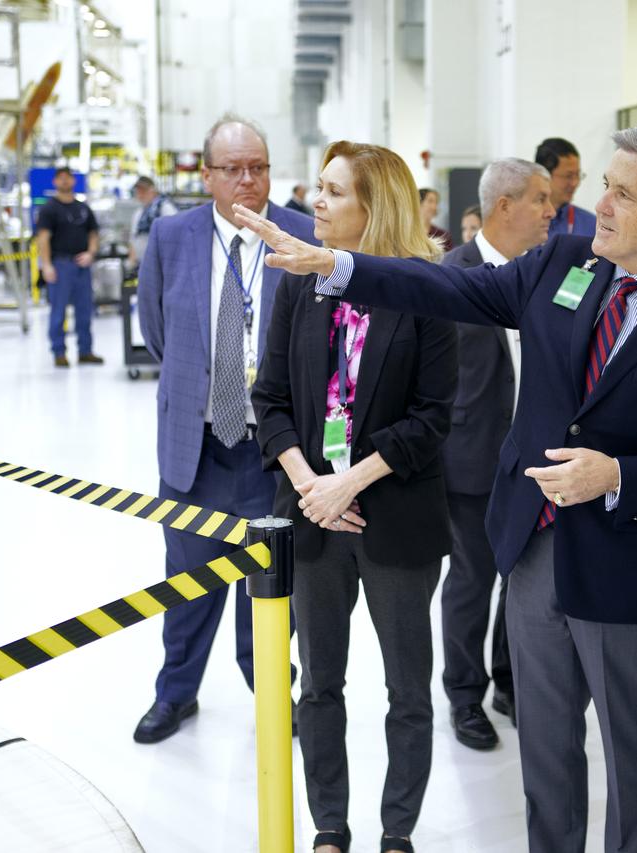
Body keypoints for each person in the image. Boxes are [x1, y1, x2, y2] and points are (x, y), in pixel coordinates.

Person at [235, 125, 637, 853]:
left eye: (624, 193)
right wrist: (340, 265)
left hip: (626, 565)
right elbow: (449, 284)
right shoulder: (565, 264)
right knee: (544, 751)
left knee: (632, 755)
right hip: (535, 549)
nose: (597, 205)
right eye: (603, 184)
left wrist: (617, 475)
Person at [252, 141, 457, 853]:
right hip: (314, 518)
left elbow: (433, 417)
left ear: (374, 209)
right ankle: (329, 826)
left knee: (407, 689)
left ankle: (396, 829)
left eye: (335, 192)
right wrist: (313, 487)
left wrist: (352, 479)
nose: (317, 200)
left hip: (392, 516)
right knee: (319, 686)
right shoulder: (297, 286)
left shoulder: (423, 290)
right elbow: (269, 398)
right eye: (321, 186)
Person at [134, 114, 314, 744]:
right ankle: (175, 693)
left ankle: (269, 691)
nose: (248, 181)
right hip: (197, 446)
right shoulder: (171, 237)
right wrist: (206, 386)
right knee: (186, 581)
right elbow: (158, 332)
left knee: (269, 587)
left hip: (275, 452)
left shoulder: (301, 234)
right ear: (206, 175)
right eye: (233, 169)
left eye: (259, 167)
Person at [438, 158, 554, 751]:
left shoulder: (552, 272)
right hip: (471, 461)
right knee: (472, 580)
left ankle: (510, 682)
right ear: (503, 206)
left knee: (523, 581)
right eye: (540, 200)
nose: (551, 211)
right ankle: (463, 695)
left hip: (538, 462)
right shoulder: (451, 274)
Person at [35, 167, 102, 367]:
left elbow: (93, 233)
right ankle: (59, 352)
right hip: (60, 265)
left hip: (82, 267)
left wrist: (91, 253)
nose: (65, 182)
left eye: (68, 178)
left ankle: (85, 351)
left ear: (73, 181)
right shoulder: (49, 209)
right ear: (55, 182)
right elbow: (43, 239)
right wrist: (46, 265)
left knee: (85, 310)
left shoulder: (83, 208)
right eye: (61, 178)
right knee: (58, 312)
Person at [536, 137, 596, 238]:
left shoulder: (591, 225)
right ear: (544, 176)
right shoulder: (520, 222)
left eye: (577, 175)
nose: (575, 183)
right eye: (568, 176)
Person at [128, 176, 178, 269]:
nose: (140, 194)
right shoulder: (139, 212)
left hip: (161, 265)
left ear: (152, 191)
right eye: (138, 191)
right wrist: (132, 261)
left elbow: (175, 235)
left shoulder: (165, 208)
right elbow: (133, 238)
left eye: (143, 191)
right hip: (142, 264)